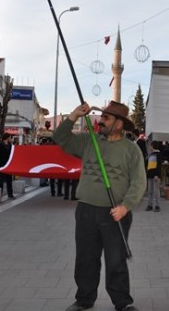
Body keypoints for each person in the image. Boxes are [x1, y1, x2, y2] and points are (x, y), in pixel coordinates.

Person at [53, 100, 146, 311]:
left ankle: (122, 303)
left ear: (119, 124)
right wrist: (74, 115)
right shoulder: (89, 141)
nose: (100, 121)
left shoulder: (131, 150)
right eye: (101, 117)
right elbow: (60, 138)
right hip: (86, 210)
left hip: (115, 213)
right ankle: (84, 300)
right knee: (86, 259)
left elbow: (139, 182)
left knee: (116, 261)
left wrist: (126, 206)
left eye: (106, 118)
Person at [145, 140, 162, 212]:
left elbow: (158, 166)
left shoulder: (158, 154)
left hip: (155, 175)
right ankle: (150, 205)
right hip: (150, 175)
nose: (149, 147)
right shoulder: (151, 154)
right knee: (150, 191)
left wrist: (157, 175)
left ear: (152, 146)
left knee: (156, 191)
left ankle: (158, 205)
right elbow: (148, 164)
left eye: (150, 145)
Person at [0, 133, 14, 199]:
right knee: (1, 180)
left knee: (9, 180)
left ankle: (10, 194)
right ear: (7, 138)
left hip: (8, 164)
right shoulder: (0, 145)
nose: (11, 139)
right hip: (2, 164)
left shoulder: (10, 145)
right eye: (10, 137)